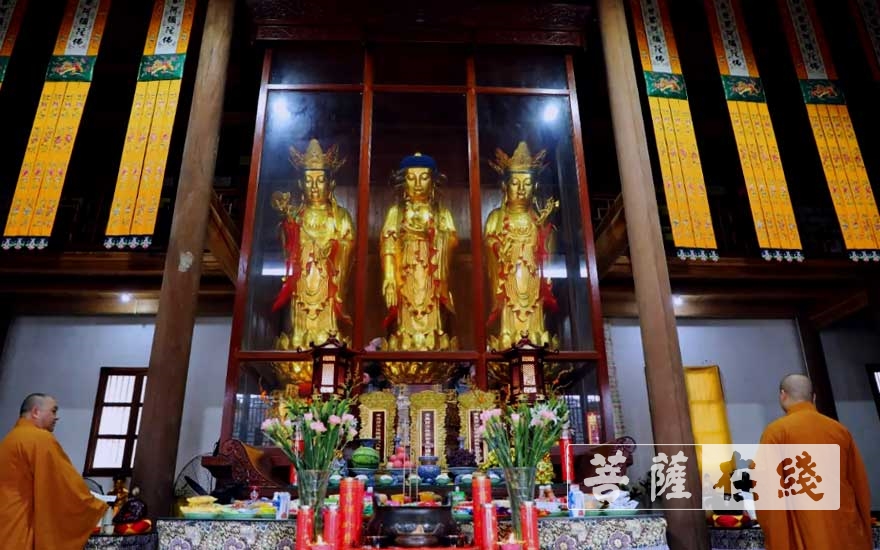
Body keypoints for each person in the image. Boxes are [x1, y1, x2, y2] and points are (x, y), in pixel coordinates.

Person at [758, 374, 872, 550]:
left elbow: (768, 495)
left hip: (805, 533)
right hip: (844, 534)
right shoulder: (839, 431)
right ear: (814, 397)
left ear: (783, 395)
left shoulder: (776, 432)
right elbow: (860, 486)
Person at [0, 393, 108, 549]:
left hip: (6, 523)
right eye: (53, 411)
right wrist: (97, 507)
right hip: (21, 528)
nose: (56, 417)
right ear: (36, 412)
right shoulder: (40, 439)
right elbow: (64, 486)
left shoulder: (10, 438)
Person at [484, 141, 559, 351]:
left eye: (526, 183)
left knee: (534, 304)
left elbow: (548, 250)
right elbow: (489, 242)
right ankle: (508, 334)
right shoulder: (496, 217)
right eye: (515, 183)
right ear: (505, 187)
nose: (520, 189)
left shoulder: (537, 218)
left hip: (532, 275)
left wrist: (545, 232)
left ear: (534, 187)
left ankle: (535, 334)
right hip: (508, 275)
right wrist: (499, 249)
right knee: (510, 305)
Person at [380, 152, 458, 351]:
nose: (417, 184)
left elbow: (451, 239)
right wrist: (389, 277)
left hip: (432, 270)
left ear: (433, 182)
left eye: (423, 178)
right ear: (403, 182)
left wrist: (434, 236)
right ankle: (404, 336)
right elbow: (388, 244)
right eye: (411, 178)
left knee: (432, 307)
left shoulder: (441, 213)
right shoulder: (396, 213)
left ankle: (434, 336)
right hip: (405, 271)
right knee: (406, 306)